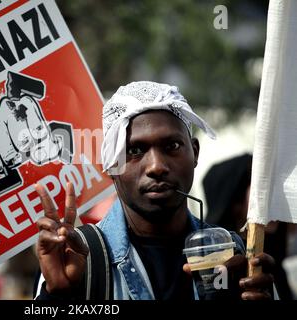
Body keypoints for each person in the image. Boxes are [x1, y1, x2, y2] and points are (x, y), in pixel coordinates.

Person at [33, 81, 276, 300]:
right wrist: (56, 297)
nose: (157, 167)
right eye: (135, 150)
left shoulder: (232, 253)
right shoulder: (76, 256)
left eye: (172, 146)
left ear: (195, 153)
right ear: (110, 166)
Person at [203, 153, 293, 300]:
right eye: (264, 187)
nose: (277, 199)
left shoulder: (272, 260)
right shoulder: (219, 270)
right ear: (234, 200)